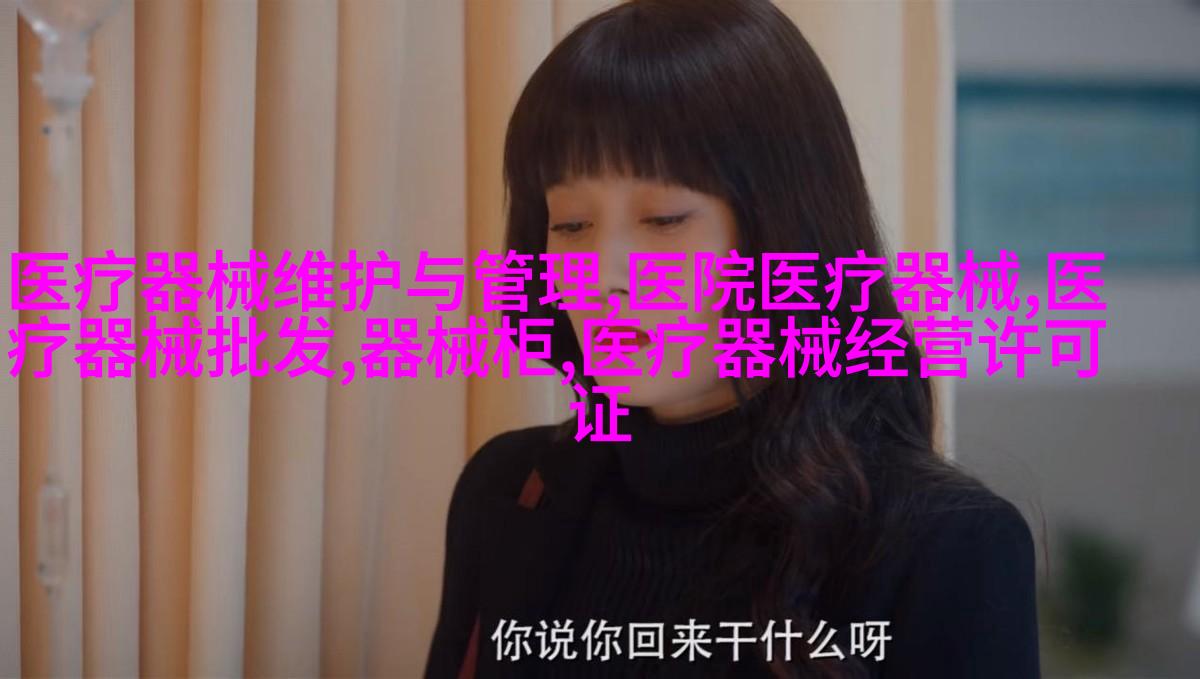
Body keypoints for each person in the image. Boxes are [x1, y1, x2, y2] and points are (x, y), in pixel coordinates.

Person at [425, 1, 1041, 677]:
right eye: (571, 224)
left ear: (786, 232)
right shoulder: (511, 488)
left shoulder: (944, 545)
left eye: (663, 219)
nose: (602, 275)